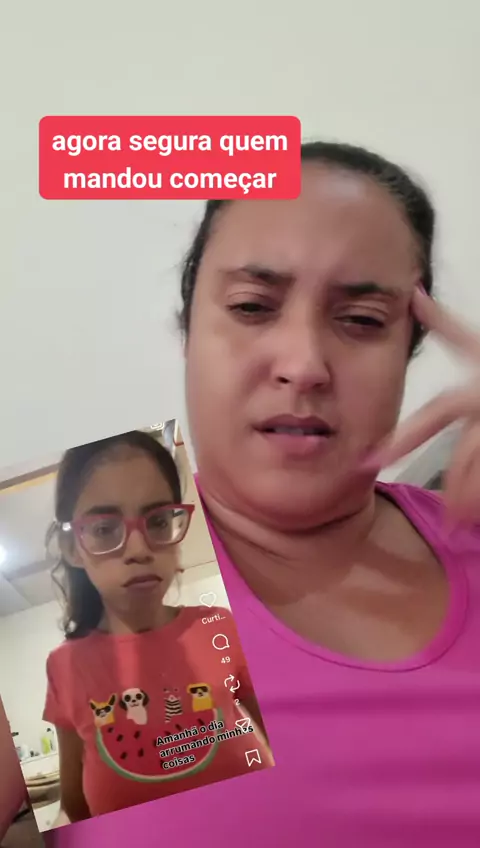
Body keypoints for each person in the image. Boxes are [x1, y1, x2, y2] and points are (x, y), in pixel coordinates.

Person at [45, 141, 480, 848]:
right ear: (189, 332)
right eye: (252, 306)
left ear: (408, 349)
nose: (304, 365)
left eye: (362, 319)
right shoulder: (75, 662)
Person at [41, 430, 269, 824]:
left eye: (159, 520)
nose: (138, 549)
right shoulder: (63, 667)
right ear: (72, 548)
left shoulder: (220, 626)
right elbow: (75, 808)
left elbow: (293, 745)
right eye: (104, 528)